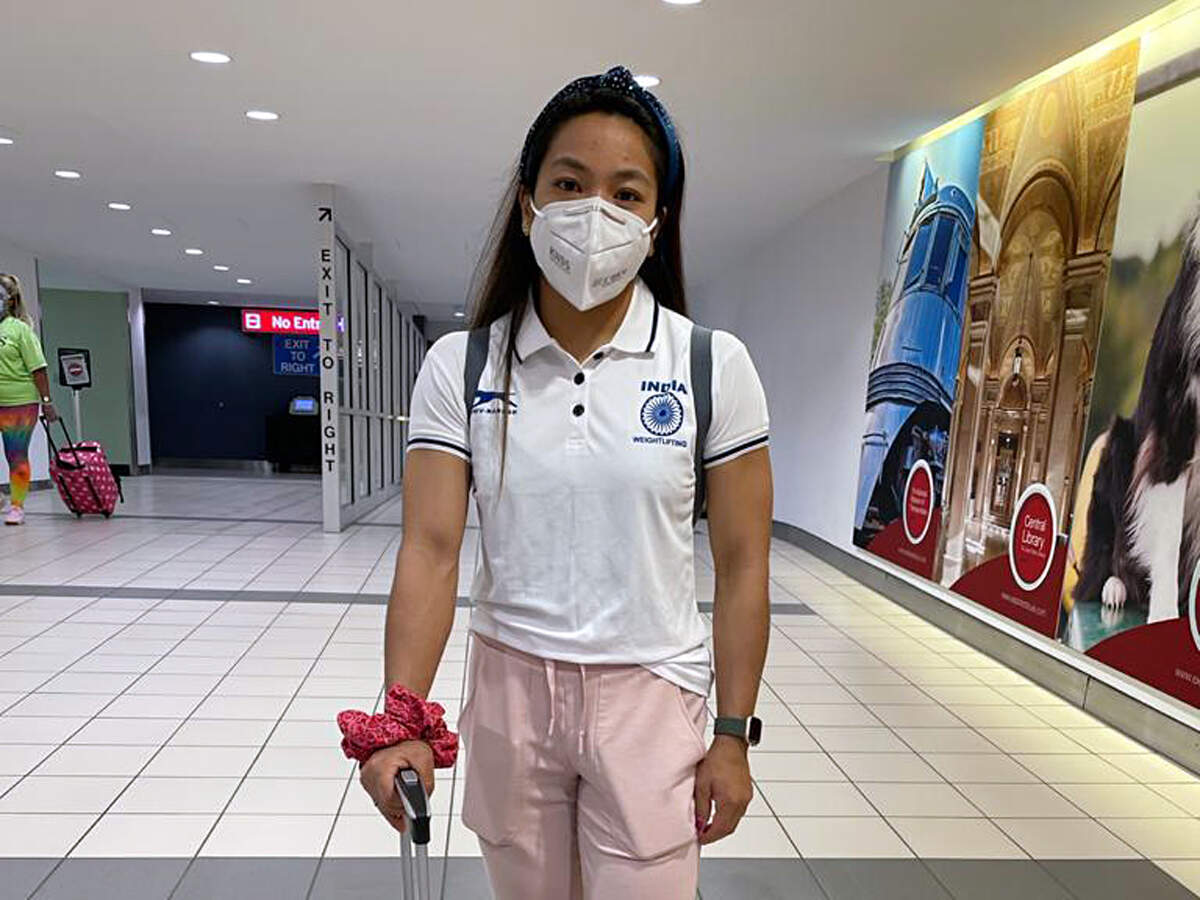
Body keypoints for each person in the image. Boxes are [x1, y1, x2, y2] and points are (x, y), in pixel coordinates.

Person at [358, 67, 772, 899]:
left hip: (652, 693)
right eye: (570, 184)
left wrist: (732, 733)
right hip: (512, 687)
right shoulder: (463, 364)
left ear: (656, 222)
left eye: (627, 193)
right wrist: (401, 716)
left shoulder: (710, 365)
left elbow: (742, 565)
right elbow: (431, 550)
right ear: (527, 204)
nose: (595, 212)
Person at [0, 274, 57, 526]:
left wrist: (47, 401)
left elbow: (39, 369)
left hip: (19, 403)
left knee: (15, 454)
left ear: (10, 300)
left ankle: (17, 507)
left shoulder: (20, 330)